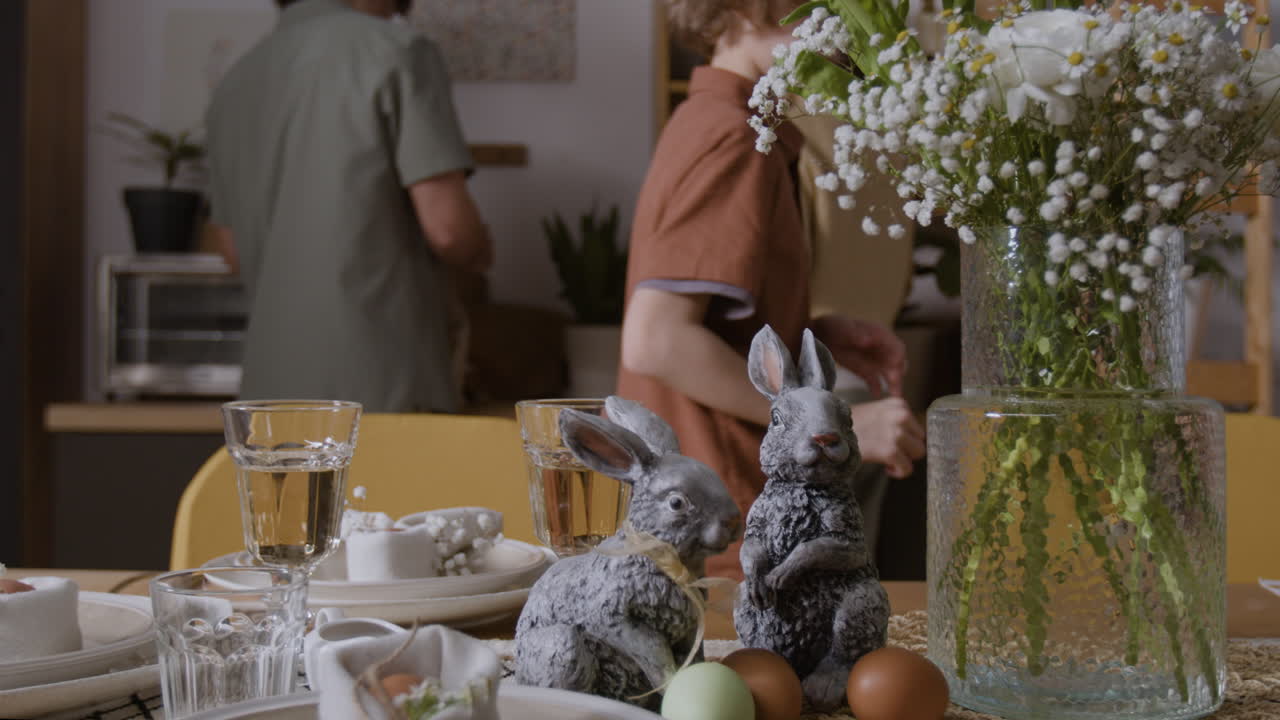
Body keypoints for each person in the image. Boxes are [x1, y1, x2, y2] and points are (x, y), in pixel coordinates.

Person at [618, 0, 926, 579]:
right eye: (821, 8)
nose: (844, 32)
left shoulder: (724, 125)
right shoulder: (733, 138)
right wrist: (823, 427)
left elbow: (707, 321)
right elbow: (657, 340)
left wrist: (803, 328)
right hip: (721, 524)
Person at [205, 0, 491, 413]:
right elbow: (450, 231)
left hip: (267, 396)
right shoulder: (397, 49)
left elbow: (231, 251)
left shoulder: (234, 82)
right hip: (381, 388)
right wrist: (480, 250)